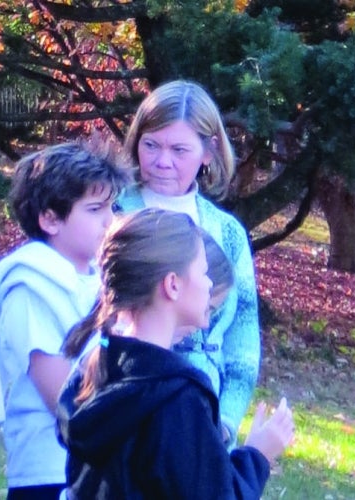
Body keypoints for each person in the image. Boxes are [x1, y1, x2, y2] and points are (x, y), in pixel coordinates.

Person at [59, 209, 294, 499]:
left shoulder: (96, 367)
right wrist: (258, 454)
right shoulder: (177, 396)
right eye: (204, 272)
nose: (209, 283)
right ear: (172, 284)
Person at [0, 142, 127, 500]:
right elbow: (65, 399)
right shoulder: (29, 287)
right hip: (49, 473)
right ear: (50, 218)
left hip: (97, 471)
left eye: (112, 207)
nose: (110, 220)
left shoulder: (99, 280)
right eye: (94, 209)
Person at [112, 80, 260, 442]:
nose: (163, 161)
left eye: (179, 149)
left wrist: (224, 423)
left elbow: (243, 344)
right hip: (123, 408)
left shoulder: (227, 234)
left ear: (208, 152)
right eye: (151, 145)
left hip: (203, 420)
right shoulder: (111, 212)